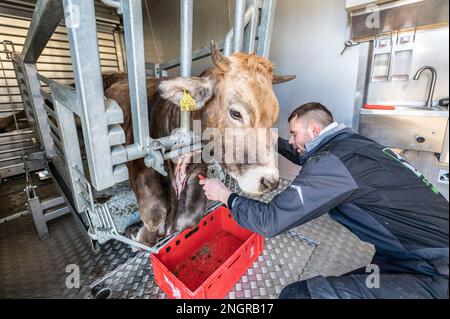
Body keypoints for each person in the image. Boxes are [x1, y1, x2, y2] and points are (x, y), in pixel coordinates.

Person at [199, 102, 449, 299]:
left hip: (433, 273)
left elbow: (270, 222)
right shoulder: (352, 144)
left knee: (297, 296)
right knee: (370, 278)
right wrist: (267, 137)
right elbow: (309, 155)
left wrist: (223, 194)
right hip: (405, 254)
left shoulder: (331, 163)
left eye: (294, 134)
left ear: (315, 131)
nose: (293, 141)